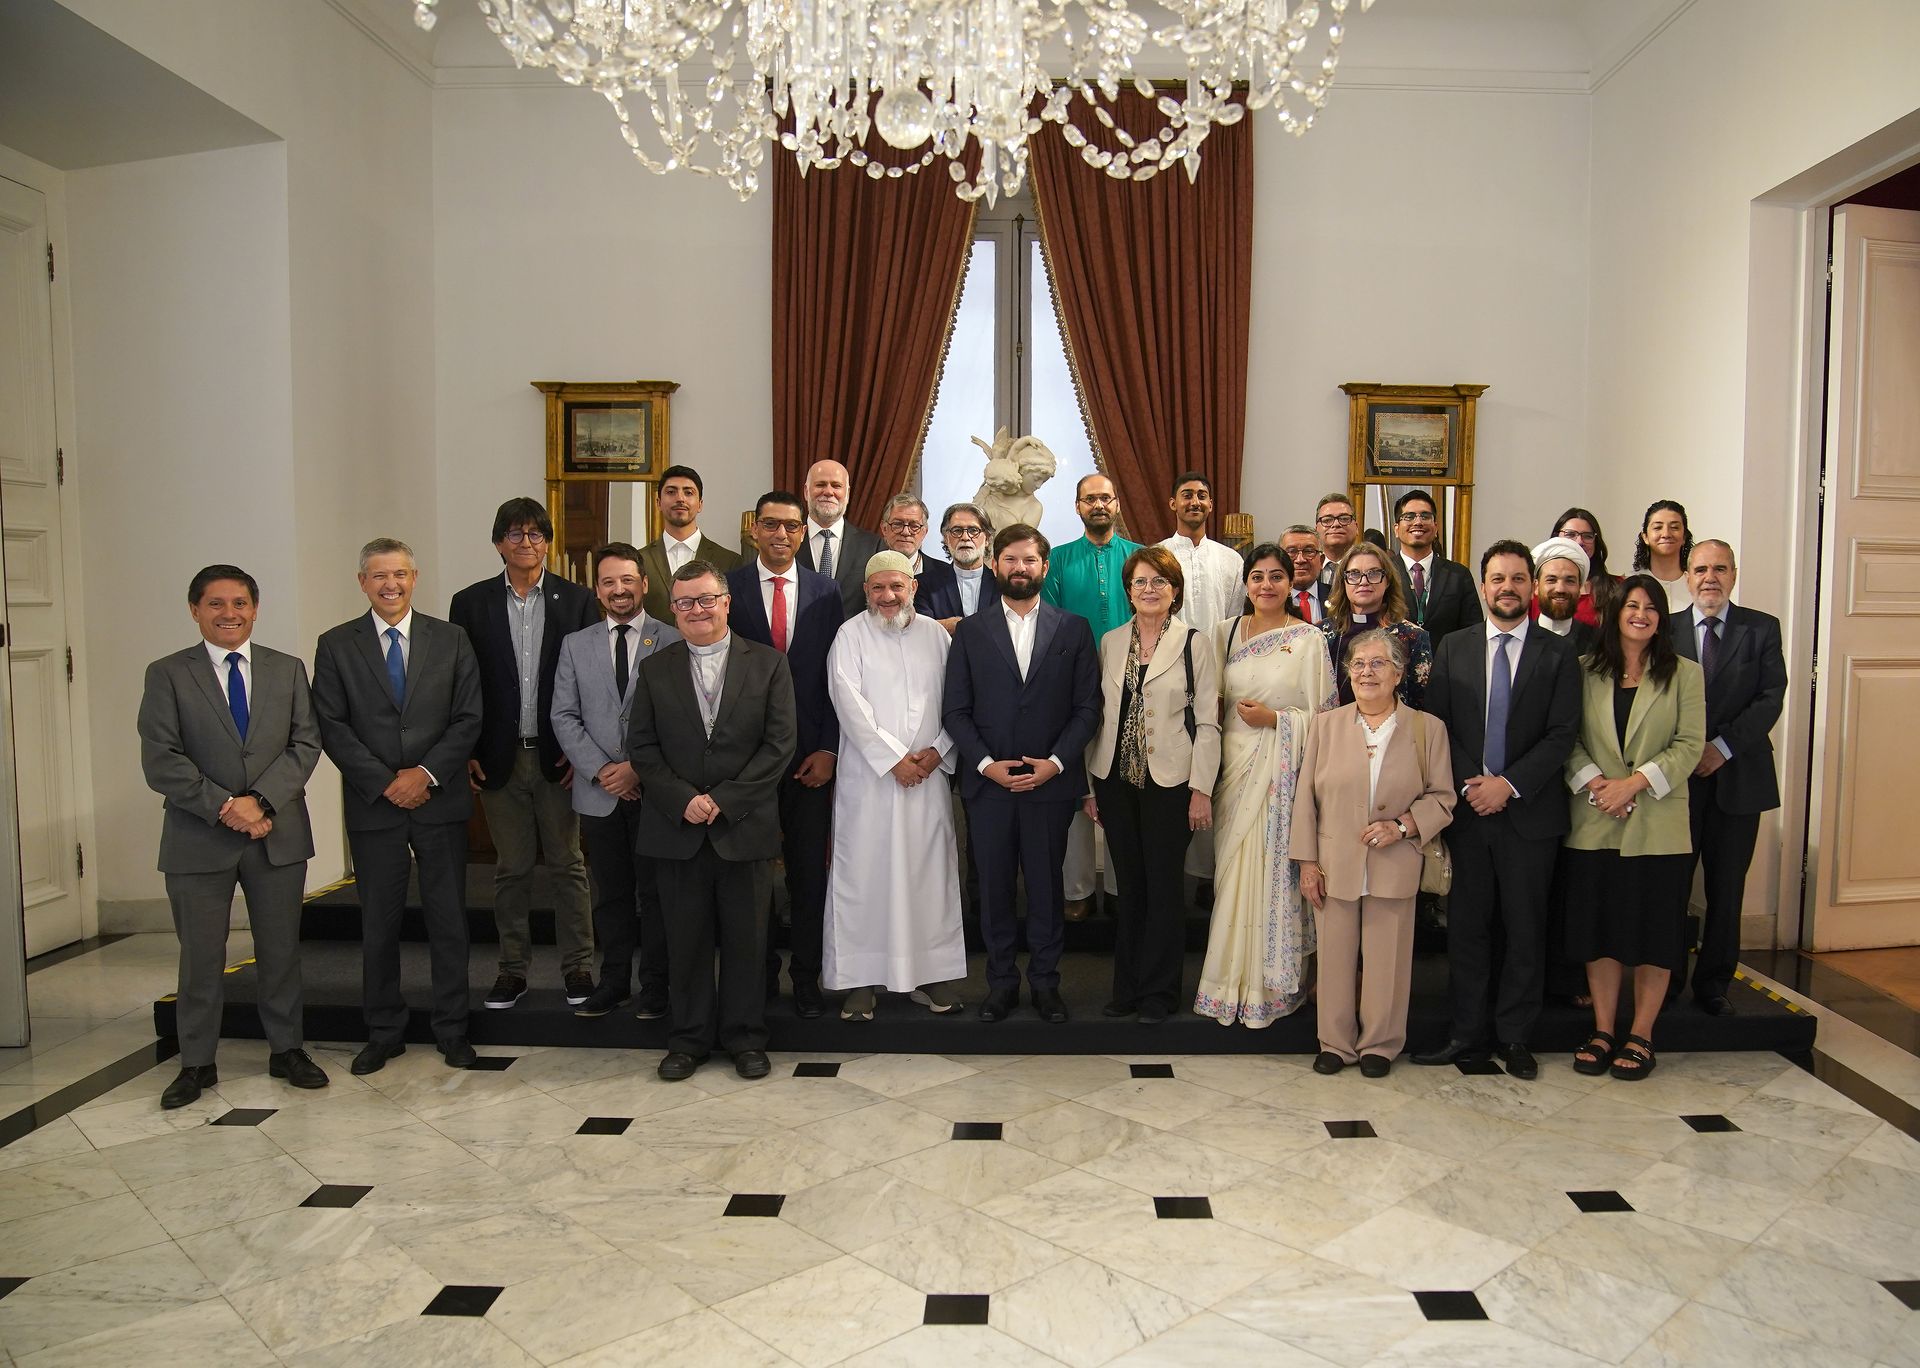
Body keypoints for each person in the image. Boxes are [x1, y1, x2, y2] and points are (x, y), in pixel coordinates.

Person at [139, 565, 326, 1108]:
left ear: (255, 609)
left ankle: (287, 1050)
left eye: (240, 603)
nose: (229, 613)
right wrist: (227, 808)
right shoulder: (168, 674)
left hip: (277, 834)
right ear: (195, 610)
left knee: (280, 951)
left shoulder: (286, 669)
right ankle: (197, 1062)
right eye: (216, 604)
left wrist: (260, 802)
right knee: (200, 957)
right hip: (199, 837)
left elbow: (305, 745)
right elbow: (161, 758)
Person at [312, 538, 483, 1073]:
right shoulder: (335, 645)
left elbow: (469, 717)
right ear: (362, 582)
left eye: (400, 574)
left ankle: (453, 1029)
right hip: (375, 805)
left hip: (439, 800)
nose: (391, 585)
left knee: (448, 921)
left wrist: (424, 774)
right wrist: (387, 782)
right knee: (379, 924)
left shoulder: (451, 638)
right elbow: (331, 726)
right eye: (380, 576)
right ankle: (384, 1031)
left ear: (415, 578)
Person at [1412, 542, 1581, 1078]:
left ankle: (1515, 1037)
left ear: (1532, 587)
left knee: (1525, 930)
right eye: (1498, 578)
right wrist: (1474, 787)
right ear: (1483, 587)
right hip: (1469, 813)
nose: (1508, 587)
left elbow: (1562, 734)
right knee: (1467, 929)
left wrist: (1507, 785)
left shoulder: (1558, 654)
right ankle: (1466, 1033)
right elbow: (1439, 725)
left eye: (1518, 578)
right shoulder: (1454, 647)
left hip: (1530, 815)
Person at [627, 561, 796, 1081]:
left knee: (748, 941)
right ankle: (688, 1040)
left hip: (743, 826)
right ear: (672, 609)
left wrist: (724, 799)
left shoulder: (768, 664)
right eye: (684, 602)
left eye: (705, 600)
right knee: (685, 942)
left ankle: (746, 1039)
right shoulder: (655, 668)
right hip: (677, 828)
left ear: (726, 602)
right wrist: (683, 799)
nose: (695, 610)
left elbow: (779, 744)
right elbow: (642, 747)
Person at [945, 523, 1100, 1023]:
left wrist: (1055, 764)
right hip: (988, 785)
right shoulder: (970, 631)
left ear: (1044, 566)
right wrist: (986, 766)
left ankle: (1046, 984)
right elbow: (955, 711)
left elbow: (1088, 708)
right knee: (993, 891)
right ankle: (1000, 985)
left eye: (1029, 559)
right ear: (995, 564)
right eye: (1010, 559)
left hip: (1049, 785)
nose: (1019, 568)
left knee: (1046, 889)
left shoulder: (1073, 629)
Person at [449, 497, 599, 1010]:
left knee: (568, 865)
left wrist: (582, 752)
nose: (526, 543)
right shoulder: (470, 604)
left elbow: (588, 681)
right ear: (499, 543)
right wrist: (468, 748)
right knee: (510, 869)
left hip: (559, 757)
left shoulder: (577, 601)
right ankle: (512, 971)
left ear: (548, 543)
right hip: (499, 756)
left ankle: (578, 968)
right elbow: (462, 682)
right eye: (515, 534)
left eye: (536, 534)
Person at [1294, 629, 1455, 1076]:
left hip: (1395, 862)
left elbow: (1443, 798)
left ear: (1398, 673)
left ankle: (1379, 1046)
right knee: (1334, 958)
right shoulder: (1326, 725)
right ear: (1348, 673)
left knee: (1388, 960)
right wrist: (1307, 863)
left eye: (1378, 663)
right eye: (1359, 664)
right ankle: (1334, 1043)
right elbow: (1305, 798)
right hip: (1334, 864)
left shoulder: (1427, 729)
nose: (1367, 672)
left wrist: (1402, 826)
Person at [1565, 575, 1705, 1081]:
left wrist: (1634, 784)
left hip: (1657, 822)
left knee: (1654, 933)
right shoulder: (1585, 669)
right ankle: (1604, 1030)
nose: (1640, 614)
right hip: (1595, 817)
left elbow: (1690, 745)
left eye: (1650, 607)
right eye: (1631, 606)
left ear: (1661, 618)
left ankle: (1642, 1034)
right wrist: (1598, 784)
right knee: (1599, 931)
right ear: (1615, 614)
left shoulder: (1685, 674)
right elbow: (1567, 737)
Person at [1188, 544, 1332, 1026]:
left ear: (1291, 583)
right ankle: (1226, 984)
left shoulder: (1309, 639)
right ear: (1245, 584)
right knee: (1232, 874)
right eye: (1257, 577)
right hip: (1233, 770)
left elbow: (1326, 718)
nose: (1266, 585)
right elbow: (1206, 703)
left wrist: (1277, 720)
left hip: (1281, 775)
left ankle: (1268, 988)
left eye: (1276, 576)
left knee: (1272, 875)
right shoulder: (1224, 632)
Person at [823, 553, 966, 1019]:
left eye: (897, 587)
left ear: (913, 588)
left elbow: (956, 701)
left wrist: (938, 751)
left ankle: (930, 975)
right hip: (870, 781)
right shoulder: (850, 635)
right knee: (864, 876)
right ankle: (861, 981)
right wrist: (894, 761)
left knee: (929, 877)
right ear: (866, 591)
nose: (888, 596)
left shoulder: (936, 637)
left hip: (927, 778)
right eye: (878, 588)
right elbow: (849, 704)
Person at [1085, 546, 1222, 1023]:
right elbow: (1098, 716)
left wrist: (1201, 789)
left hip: (1172, 782)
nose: (1149, 589)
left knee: (1164, 887)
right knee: (1129, 886)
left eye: (1159, 581)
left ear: (1175, 590)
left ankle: (1160, 994)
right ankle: (1127, 989)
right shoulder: (1110, 641)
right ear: (1128, 591)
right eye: (1140, 582)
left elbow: (1208, 722)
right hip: (1115, 779)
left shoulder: (1194, 642)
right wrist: (1090, 788)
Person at [551, 543, 682, 1020]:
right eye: (609, 582)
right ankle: (613, 982)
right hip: (599, 793)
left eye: (627, 580)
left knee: (656, 893)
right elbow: (564, 715)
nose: (619, 589)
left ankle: (656, 985)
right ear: (597, 589)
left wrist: (637, 768)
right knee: (610, 895)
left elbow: (680, 719)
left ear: (644, 584)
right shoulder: (576, 644)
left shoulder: (672, 639)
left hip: (656, 792)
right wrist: (604, 771)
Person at [726, 492, 843, 1017]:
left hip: (809, 760)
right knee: (752, 878)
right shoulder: (729, 588)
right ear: (754, 529)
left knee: (807, 874)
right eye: (771, 525)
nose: (781, 534)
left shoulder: (826, 591)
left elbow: (837, 678)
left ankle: (807, 977)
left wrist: (828, 747)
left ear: (803, 532)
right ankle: (760, 976)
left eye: (791, 526)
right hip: (745, 762)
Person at [1671, 539, 1785, 1017]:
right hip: (1676, 783)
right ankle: (1667, 982)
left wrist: (1721, 748)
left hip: (1739, 777)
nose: (1710, 578)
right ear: (1687, 577)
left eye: (1720, 568)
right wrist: (1686, 752)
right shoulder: (1666, 629)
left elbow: (1770, 698)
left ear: (1734, 575)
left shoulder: (1761, 628)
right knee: (1672, 887)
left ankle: (1714, 984)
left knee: (1726, 889)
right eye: (1701, 569)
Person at [1043, 473, 1141, 919]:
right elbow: (1050, 624)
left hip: (1134, 689)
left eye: (1105, 497)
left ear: (1116, 503)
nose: (1098, 505)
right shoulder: (1059, 560)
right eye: (1090, 499)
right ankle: (1077, 888)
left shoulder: (1140, 557)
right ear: (1077, 506)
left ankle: (1122, 888)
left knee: (1123, 792)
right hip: (1073, 689)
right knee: (1075, 789)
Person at [1322, 542, 1433, 708]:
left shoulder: (1413, 636)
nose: (1363, 581)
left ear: (1387, 581)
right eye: (1354, 574)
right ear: (1343, 581)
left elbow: (1422, 704)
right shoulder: (1322, 634)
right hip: (1334, 723)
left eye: (1373, 573)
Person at [639, 465, 741, 622]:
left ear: (700, 504)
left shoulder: (730, 561)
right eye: (671, 492)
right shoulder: (639, 560)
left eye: (688, 493)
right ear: (658, 503)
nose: (680, 498)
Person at [1389, 489, 1482, 643]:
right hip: (1395, 657)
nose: (1418, 522)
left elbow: (1473, 631)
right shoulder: (1384, 573)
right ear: (1396, 529)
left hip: (1447, 657)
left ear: (1436, 527)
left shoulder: (1458, 575)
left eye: (1425, 516)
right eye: (1409, 516)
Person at [1157, 470, 1245, 628]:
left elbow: (1237, 618)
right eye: (1187, 495)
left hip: (1218, 644)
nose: (1195, 502)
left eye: (1201, 496)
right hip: (1167, 644)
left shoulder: (1232, 560)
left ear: (1210, 505)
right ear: (1173, 504)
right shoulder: (1156, 556)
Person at [797, 458, 883, 619]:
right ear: (806, 491)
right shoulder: (787, 542)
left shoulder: (873, 546)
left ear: (848, 494)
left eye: (836, 486)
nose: (829, 492)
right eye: (820, 484)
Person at [879, 492, 961, 621]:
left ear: (924, 532)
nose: (906, 532)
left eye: (914, 526)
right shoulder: (866, 571)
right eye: (898, 524)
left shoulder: (947, 574)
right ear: (884, 529)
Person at [1549, 508, 1616, 629]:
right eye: (1570, 534)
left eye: (1587, 536)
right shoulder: (1535, 589)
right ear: (1555, 537)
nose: (1579, 542)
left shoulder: (1617, 587)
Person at [1531, 535, 1599, 652]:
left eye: (1569, 581)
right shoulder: (1522, 640)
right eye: (1551, 580)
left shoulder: (1597, 643)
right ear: (1536, 587)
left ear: (1579, 588)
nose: (1560, 589)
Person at [938, 501, 999, 629]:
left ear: (987, 539)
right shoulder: (926, 585)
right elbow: (921, 629)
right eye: (957, 530)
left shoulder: (1002, 585)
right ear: (946, 538)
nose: (965, 537)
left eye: (973, 530)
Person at [1632, 499, 1694, 612]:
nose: (1666, 534)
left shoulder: (1697, 584)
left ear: (1684, 536)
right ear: (1645, 537)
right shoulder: (1629, 583)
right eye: (1657, 528)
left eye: (1674, 527)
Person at [1279, 524, 1329, 625]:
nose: (1300, 560)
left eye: (1309, 551)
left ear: (1321, 561)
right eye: (1291, 552)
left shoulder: (1339, 597)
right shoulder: (1270, 600)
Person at [1313, 493, 1360, 593]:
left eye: (1344, 519)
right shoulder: (1306, 567)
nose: (1336, 524)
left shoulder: (1370, 568)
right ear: (1316, 530)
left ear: (1356, 527)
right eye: (1327, 520)